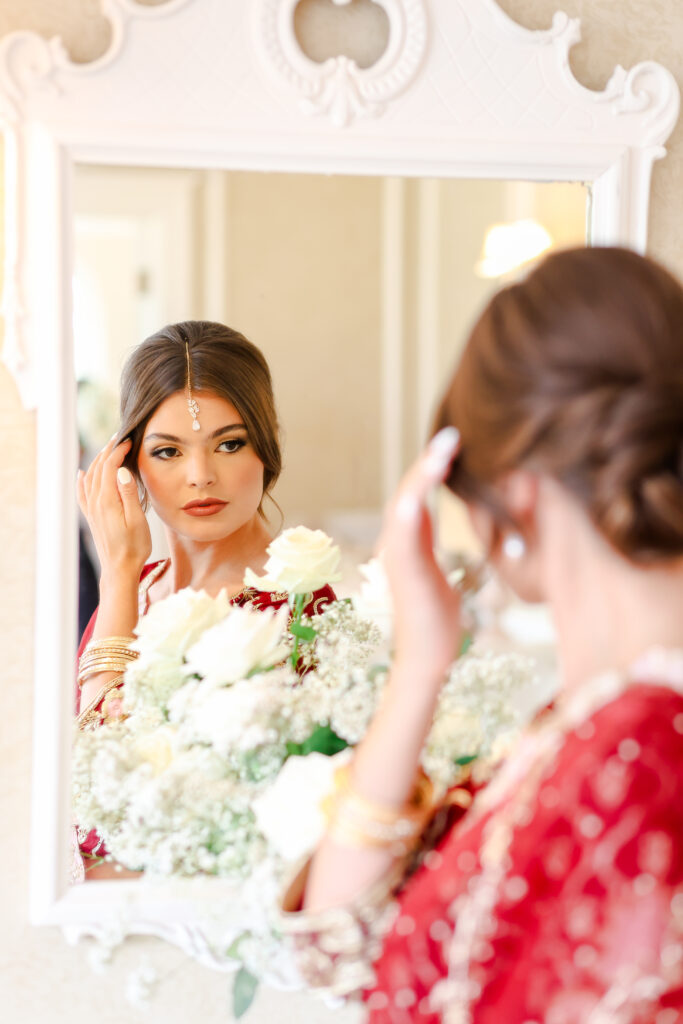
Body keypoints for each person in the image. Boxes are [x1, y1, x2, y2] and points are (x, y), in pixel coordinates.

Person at [281, 247, 683, 1022]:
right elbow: (337, 947)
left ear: (512, 492)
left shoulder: (639, 746)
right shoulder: (584, 722)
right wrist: (421, 659)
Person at [75, 320, 335, 878]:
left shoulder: (300, 607)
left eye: (229, 443)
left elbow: (108, 799)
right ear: (128, 464)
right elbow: (79, 802)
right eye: (167, 451)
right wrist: (120, 576)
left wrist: (119, 578)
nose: (200, 476)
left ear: (266, 446)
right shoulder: (131, 592)